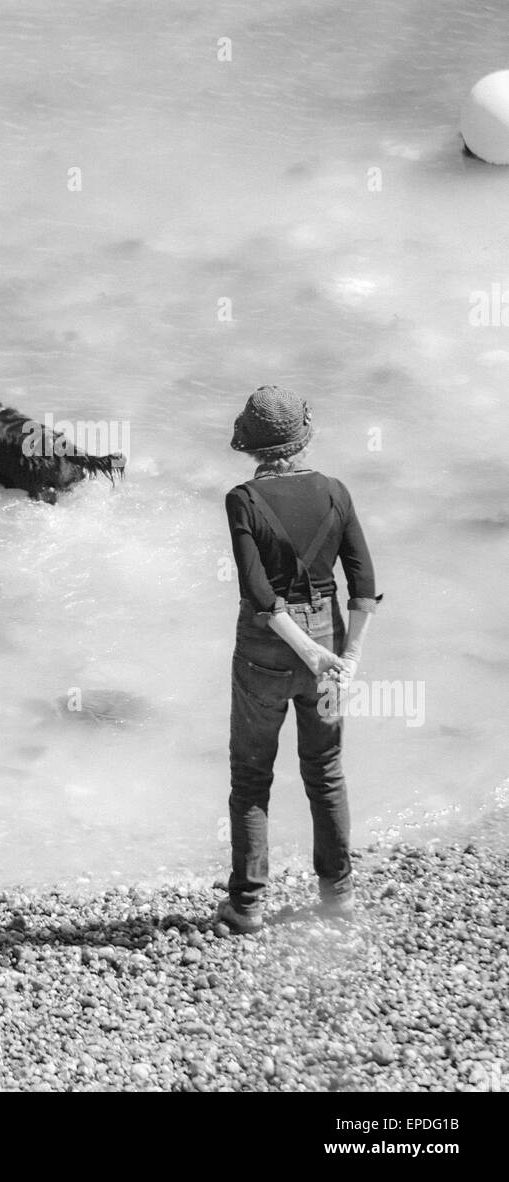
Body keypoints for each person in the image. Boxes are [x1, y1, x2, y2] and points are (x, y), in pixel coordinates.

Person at [218, 385, 381, 934]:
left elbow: (259, 593)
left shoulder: (242, 499)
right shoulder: (335, 492)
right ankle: (337, 895)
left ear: (254, 446)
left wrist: (305, 651)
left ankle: (247, 905)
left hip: (269, 648)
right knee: (326, 772)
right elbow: (363, 582)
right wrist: (345, 655)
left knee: (251, 776)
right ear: (301, 440)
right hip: (329, 644)